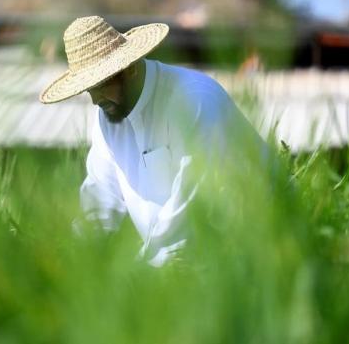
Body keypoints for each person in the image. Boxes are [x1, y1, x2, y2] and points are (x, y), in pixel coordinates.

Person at [39, 16, 267, 266]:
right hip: (183, 265)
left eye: (101, 84)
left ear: (131, 67)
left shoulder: (193, 100)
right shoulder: (109, 114)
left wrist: (133, 278)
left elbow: (190, 217)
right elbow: (101, 196)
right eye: (88, 89)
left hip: (257, 254)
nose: (95, 99)